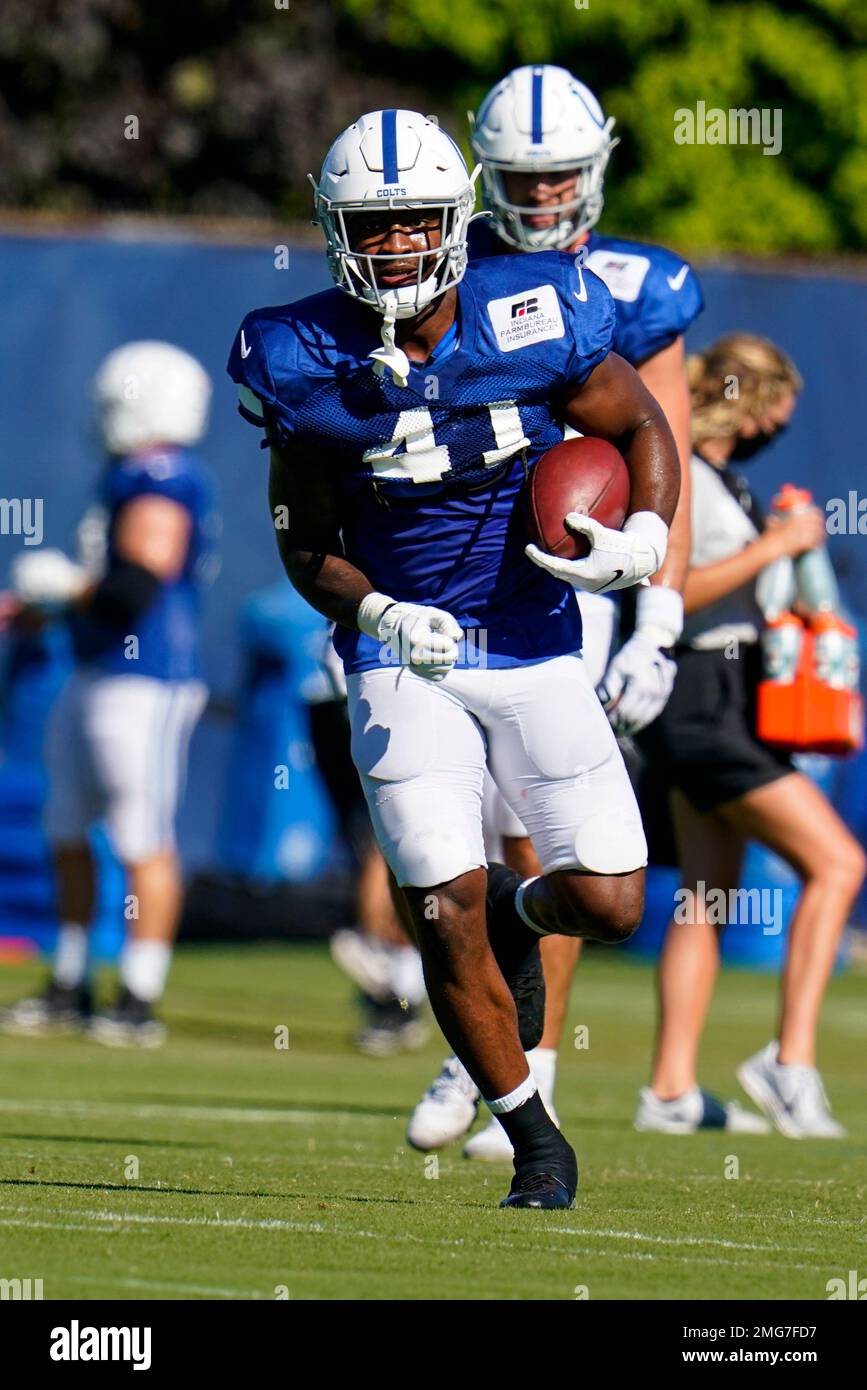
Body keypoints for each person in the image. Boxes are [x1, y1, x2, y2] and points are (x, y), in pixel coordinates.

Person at [229, 108, 680, 1209]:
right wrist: (379, 613)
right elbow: (304, 545)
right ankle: (533, 1139)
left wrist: (650, 537)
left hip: (532, 639)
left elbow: (643, 429)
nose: (392, 247)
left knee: (614, 903)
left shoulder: (538, 308)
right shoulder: (293, 354)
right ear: (335, 228)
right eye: (371, 227)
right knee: (439, 896)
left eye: (413, 222)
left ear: (456, 217)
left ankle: (524, 916)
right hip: (404, 657)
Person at [408, 64, 703, 1158]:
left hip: (582, 580)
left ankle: (530, 1062)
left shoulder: (638, 285)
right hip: (457, 574)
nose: (540, 201)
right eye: (523, 181)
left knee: (546, 829)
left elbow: (658, 446)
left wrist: (658, 618)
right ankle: (487, 1039)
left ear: (598, 167)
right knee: (462, 830)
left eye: (559, 179)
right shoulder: (451, 266)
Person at [635, 333, 866, 1136]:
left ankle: (668, 1090)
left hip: (724, 692)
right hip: (705, 696)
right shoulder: (682, 476)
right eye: (779, 411)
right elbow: (676, 588)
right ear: (754, 401)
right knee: (837, 863)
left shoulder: (726, 482)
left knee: (703, 898)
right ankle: (788, 1060)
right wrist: (776, 545)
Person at [0, 342, 217, 1047]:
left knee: (139, 834)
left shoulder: (160, 473)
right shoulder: (128, 471)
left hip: (146, 679)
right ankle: (70, 981)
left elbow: (136, 582)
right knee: (66, 826)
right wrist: (43, 606)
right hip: (98, 671)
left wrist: (63, 588)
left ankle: (137, 996)